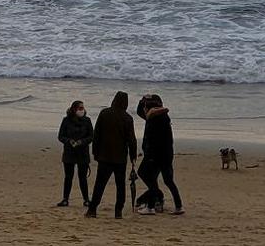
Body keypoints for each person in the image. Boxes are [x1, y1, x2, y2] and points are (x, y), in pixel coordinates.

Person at [84, 90, 137, 218]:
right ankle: (118, 211)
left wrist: (95, 152)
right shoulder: (127, 118)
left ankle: (92, 209)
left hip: (104, 156)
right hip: (120, 158)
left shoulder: (104, 113)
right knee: (120, 186)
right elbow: (132, 140)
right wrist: (133, 157)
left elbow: (97, 134)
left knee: (100, 184)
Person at [136, 94, 183, 215]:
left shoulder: (153, 120)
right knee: (168, 180)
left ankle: (151, 205)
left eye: (145, 106)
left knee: (146, 175)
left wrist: (150, 155)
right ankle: (178, 206)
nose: (144, 109)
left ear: (149, 108)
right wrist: (144, 100)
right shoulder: (162, 117)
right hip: (167, 154)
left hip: (155, 155)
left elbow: (153, 140)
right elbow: (139, 111)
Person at [55, 99, 93, 207]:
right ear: (74, 109)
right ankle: (65, 199)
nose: (82, 110)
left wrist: (82, 142)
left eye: (83, 108)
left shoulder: (87, 120)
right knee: (68, 177)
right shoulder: (66, 120)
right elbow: (61, 136)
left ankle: (86, 200)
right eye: (80, 108)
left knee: (82, 178)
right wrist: (69, 141)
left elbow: (91, 136)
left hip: (83, 153)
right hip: (69, 152)